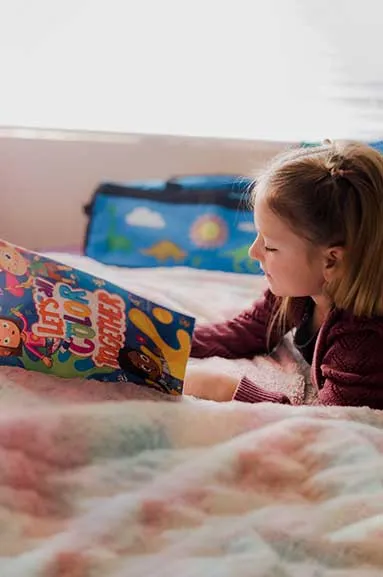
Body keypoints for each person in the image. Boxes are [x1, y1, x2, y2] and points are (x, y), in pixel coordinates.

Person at [184, 141, 383, 409]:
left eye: (270, 245)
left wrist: (225, 389)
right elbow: (248, 331)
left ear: (331, 260)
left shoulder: (363, 343)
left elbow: (330, 424)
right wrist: (164, 338)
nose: (254, 252)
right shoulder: (300, 290)